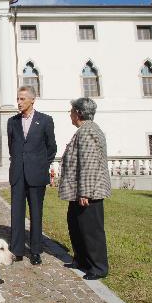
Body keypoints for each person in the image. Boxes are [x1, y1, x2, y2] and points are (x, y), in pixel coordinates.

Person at [59, 97, 110, 280]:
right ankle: (81, 259)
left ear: (79, 113)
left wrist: (85, 192)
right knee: (76, 225)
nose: (70, 114)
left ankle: (98, 267)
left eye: (71, 111)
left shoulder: (88, 131)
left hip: (89, 192)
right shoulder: (84, 130)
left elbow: (89, 163)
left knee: (91, 230)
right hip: (78, 192)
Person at [7, 86, 57, 265]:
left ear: (32, 100)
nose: (19, 102)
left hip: (36, 174)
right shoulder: (12, 121)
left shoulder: (45, 120)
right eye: (18, 99)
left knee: (36, 213)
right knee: (16, 213)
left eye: (22, 99)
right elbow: (12, 146)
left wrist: (41, 165)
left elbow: (51, 147)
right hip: (18, 174)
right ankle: (17, 249)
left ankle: (36, 250)